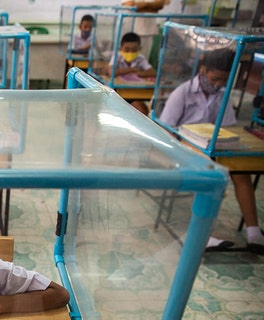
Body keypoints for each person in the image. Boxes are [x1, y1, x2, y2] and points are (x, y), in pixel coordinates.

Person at [159, 48, 264, 255]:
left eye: (223, 81)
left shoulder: (221, 96)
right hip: (184, 149)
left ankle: (254, 233)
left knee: (241, 172)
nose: (217, 85)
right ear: (203, 70)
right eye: (215, 78)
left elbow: (228, 127)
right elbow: (165, 131)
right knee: (210, 172)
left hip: (212, 147)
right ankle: (202, 235)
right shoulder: (182, 93)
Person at [108, 32, 156, 115]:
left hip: (135, 93)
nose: (130, 52)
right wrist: (132, 69)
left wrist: (137, 74)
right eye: (127, 49)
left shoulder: (140, 58)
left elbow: (152, 72)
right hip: (117, 93)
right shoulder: (117, 56)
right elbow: (111, 72)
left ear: (139, 49)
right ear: (121, 49)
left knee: (142, 110)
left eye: (134, 50)